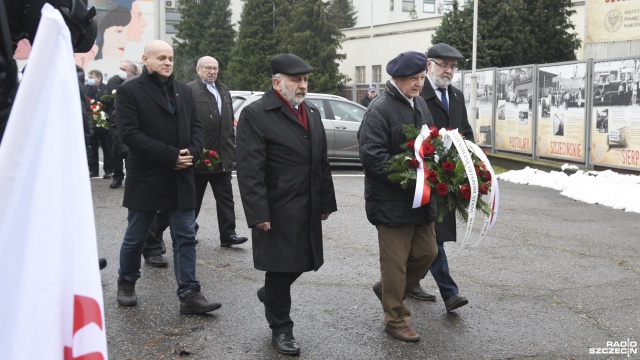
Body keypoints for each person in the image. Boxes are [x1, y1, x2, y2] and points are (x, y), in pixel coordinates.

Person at [236, 53, 337, 356]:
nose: (303, 85)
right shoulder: (256, 115)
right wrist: (258, 213)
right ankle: (281, 328)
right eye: (297, 80)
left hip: (307, 203)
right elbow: (249, 170)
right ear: (277, 82)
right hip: (277, 206)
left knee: (304, 260)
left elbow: (321, 161)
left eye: (305, 79)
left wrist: (327, 199)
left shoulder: (312, 112)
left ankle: (270, 295)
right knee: (280, 269)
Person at [114, 39, 220, 314]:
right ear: (146, 59)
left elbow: (196, 128)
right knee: (136, 235)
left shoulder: (183, 91)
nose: (167, 62)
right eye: (161, 57)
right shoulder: (130, 91)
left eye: (170, 58)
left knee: (185, 236)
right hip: (148, 175)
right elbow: (130, 134)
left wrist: (191, 154)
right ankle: (126, 281)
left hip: (181, 175)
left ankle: (189, 294)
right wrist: (170, 156)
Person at [357, 51, 438, 343]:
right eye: (413, 79)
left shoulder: (420, 105)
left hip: (421, 198)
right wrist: (410, 176)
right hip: (391, 201)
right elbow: (372, 157)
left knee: (428, 252)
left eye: (421, 78)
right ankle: (395, 318)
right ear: (396, 79)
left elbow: (431, 142)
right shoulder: (378, 109)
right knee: (395, 264)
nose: (419, 84)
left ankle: (388, 290)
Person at [409, 43, 472, 313]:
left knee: (434, 237)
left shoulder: (456, 96)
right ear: (429, 65)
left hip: (449, 176)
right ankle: (450, 292)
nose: (448, 70)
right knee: (432, 238)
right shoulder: (417, 93)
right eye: (443, 65)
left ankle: (404, 283)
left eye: (453, 66)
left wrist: (472, 165)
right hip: (423, 177)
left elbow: (465, 132)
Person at [187, 56, 248, 247]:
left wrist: (232, 145)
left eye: (215, 68)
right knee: (193, 199)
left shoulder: (223, 90)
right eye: (208, 68)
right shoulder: (190, 90)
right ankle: (189, 231)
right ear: (198, 69)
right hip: (200, 157)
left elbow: (228, 121)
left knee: (226, 199)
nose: (212, 72)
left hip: (222, 156)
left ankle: (228, 234)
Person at [107, 59, 138, 189]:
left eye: (124, 69)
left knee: (131, 156)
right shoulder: (114, 82)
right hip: (118, 125)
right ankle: (117, 177)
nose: (121, 72)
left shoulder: (136, 85)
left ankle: (132, 179)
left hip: (132, 127)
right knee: (117, 153)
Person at [86, 69, 113, 179]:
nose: (90, 79)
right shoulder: (86, 88)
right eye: (89, 77)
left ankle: (108, 170)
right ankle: (93, 170)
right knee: (93, 148)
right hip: (92, 123)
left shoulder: (105, 89)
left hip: (104, 123)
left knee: (107, 148)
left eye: (91, 77)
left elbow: (109, 103)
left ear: (99, 78)